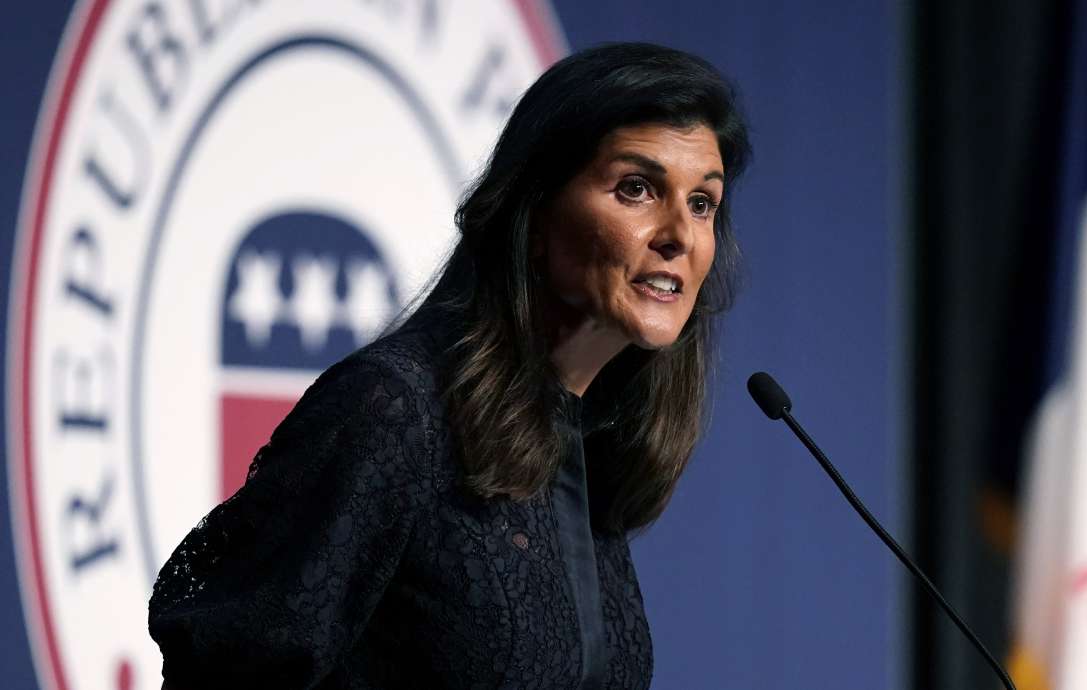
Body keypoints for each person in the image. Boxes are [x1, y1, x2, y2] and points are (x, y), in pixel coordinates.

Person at [148, 41, 751, 689]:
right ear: (536, 213)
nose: (680, 236)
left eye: (702, 204)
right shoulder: (395, 413)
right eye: (636, 188)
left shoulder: (582, 450)